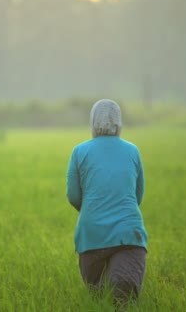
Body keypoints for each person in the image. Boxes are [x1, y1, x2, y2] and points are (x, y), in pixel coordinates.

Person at [66, 99, 148, 306]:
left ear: (92, 122)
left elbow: (74, 196)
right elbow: (137, 196)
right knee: (122, 299)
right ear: (119, 123)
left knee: (98, 298)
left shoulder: (79, 151)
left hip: (91, 237)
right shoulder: (132, 151)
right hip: (129, 235)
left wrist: (94, 210)